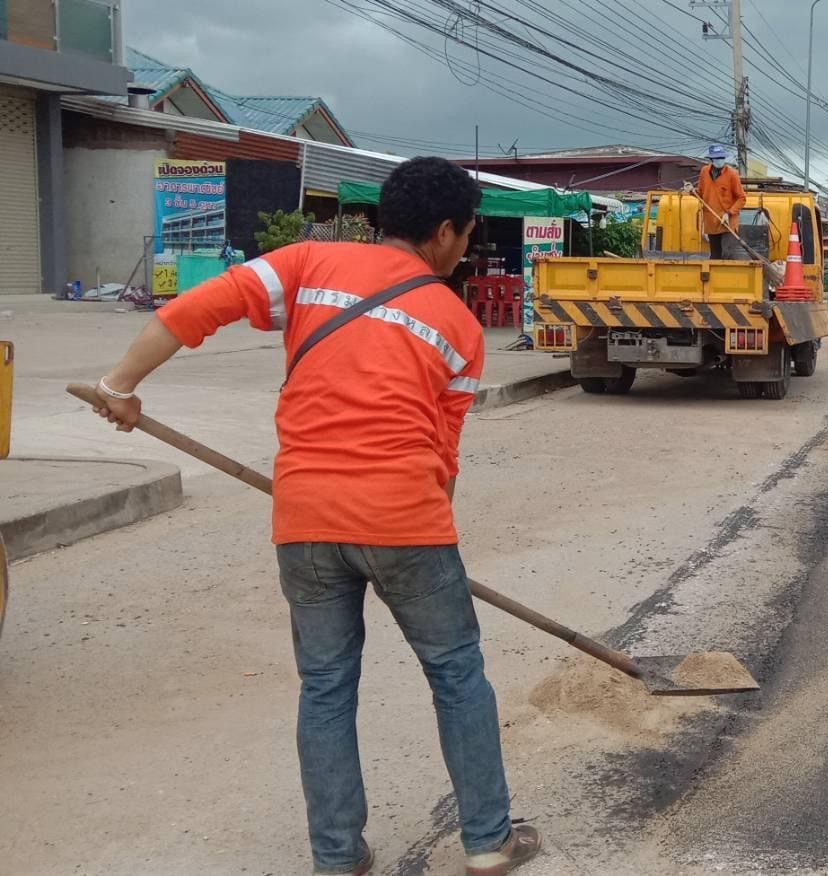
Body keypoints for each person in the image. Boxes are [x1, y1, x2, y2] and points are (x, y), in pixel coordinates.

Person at [87, 157, 542, 876]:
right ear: (445, 232)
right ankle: (488, 842)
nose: (463, 249)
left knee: (326, 686)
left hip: (304, 517)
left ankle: (337, 856)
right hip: (406, 519)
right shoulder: (459, 325)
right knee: (456, 673)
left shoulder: (305, 265)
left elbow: (191, 311)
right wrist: (427, 546)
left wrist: (119, 386)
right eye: (466, 235)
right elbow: (442, 451)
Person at [696, 144, 745, 259]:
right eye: (717, 158)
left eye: (722, 158)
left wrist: (729, 213)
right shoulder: (704, 172)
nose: (720, 160)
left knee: (727, 255)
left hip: (728, 223)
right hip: (712, 222)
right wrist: (690, 191)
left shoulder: (732, 174)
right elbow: (700, 193)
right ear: (711, 159)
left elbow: (741, 198)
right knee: (715, 256)